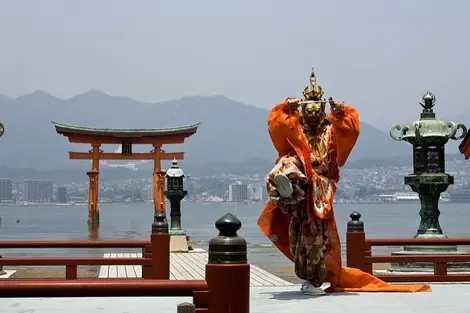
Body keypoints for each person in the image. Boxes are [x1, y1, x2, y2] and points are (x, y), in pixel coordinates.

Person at [257, 68, 431, 295]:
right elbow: (276, 125)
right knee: (289, 162)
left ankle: (313, 279)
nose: (311, 113)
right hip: (303, 174)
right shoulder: (297, 128)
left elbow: (350, 128)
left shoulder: (329, 128)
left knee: (312, 233)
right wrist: (285, 108)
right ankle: (288, 188)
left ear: (320, 109)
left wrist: (340, 112)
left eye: (315, 109)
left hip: (319, 186)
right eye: (307, 109)